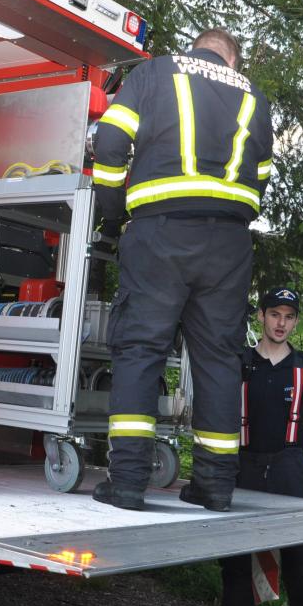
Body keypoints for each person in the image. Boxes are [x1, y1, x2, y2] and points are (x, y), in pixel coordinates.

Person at [90, 28, 274, 512]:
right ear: (231, 59)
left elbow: (110, 139)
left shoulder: (155, 72)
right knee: (219, 360)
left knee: (140, 349)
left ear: (198, 47)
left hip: (161, 231)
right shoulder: (254, 95)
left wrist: (112, 213)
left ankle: (128, 482)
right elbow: (262, 174)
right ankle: (215, 486)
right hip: (230, 242)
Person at [217, 287, 303, 606]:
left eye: (288, 316)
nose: (281, 323)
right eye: (274, 315)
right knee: (237, 566)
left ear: (296, 321)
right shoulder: (238, 363)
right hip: (244, 470)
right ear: (261, 316)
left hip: (290, 471)